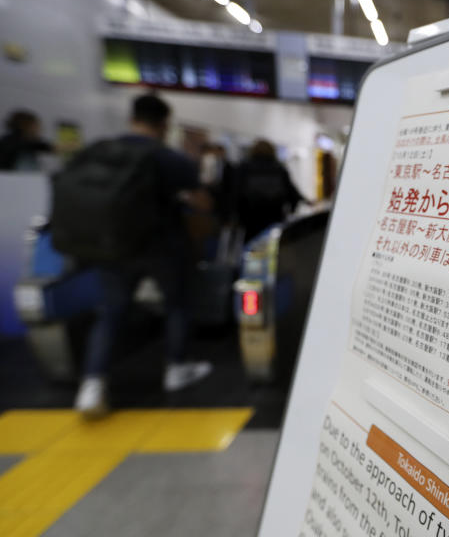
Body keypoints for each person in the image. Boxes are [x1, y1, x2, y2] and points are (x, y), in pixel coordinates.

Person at [57, 95, 214, 417]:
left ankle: (92, 384)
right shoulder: (167, 158)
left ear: (133, 118)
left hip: (112, 246)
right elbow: (203, 203)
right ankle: (176, 367)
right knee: (177, 305)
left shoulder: (97, 151)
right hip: (163, 247)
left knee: (111, 312)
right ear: (164, 124)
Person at [234, 139, 307, 242]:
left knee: (252, 247)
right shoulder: (279, 168)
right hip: (274, 215)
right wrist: (292, 209)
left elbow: (237, 193)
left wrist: (237, 216)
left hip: (251, 217)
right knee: (272, 245)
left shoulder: (245, 167)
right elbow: (291, 192)